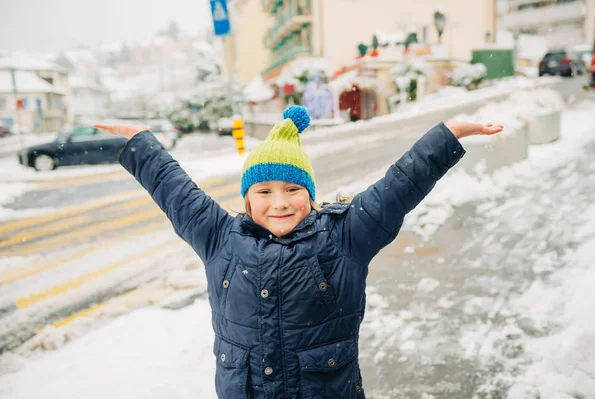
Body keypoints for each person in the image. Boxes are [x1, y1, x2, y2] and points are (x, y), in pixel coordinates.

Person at [94, 106, 502, 399]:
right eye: (264, 191)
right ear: (247, 199)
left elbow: (398, 187)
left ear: (309, 194)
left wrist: (449, 133)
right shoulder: (219, 236)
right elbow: (174, 190)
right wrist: (140, 142)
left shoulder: (344, 238)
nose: (280, 203)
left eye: (293, 190)